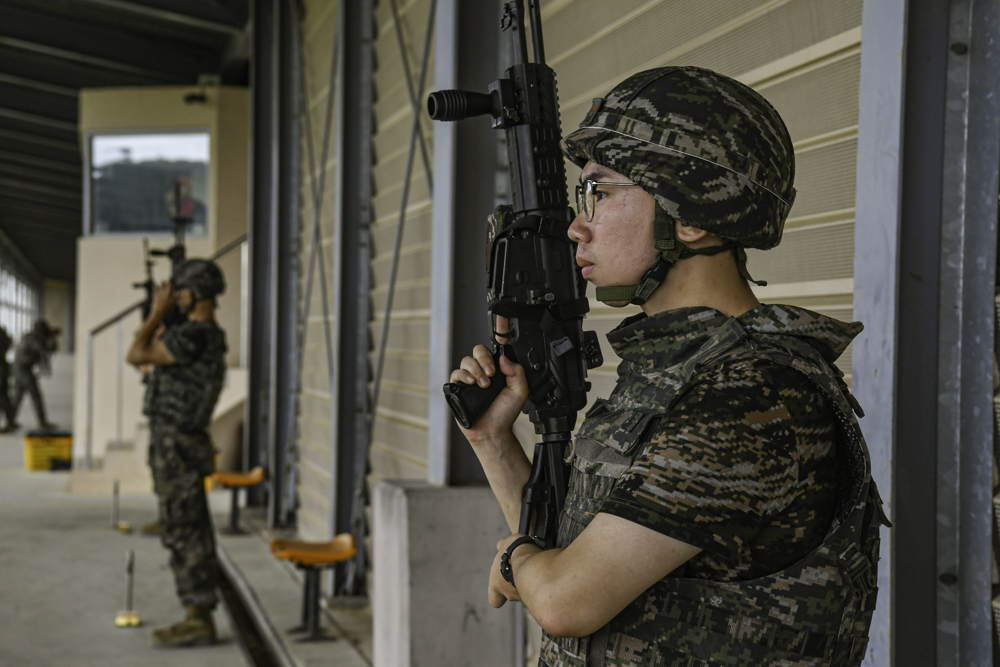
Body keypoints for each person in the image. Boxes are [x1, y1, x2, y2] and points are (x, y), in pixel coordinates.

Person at [449, 67, 888, 666]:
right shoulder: (678, 375)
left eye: (599, 193)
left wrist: (511, 560)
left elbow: (563, 600)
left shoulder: (751, 398)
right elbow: (571, 558)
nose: (578, 225)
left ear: (692, 215)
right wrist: (493, 441)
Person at [126, 258, 227, 648]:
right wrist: (161, 322)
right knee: (185, 524)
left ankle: (198, 614)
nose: (176, 297)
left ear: (196, 293)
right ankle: (197, 610)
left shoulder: (195, 337)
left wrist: (155, 314)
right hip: (179, 442)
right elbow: (149, 364)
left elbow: (136, 354)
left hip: (179, 444)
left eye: (180, 291)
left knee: (186, 529)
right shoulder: (196, 336)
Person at [12, 320, 59, 430]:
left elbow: (51, 349)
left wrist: (52, 338)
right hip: (23, 371)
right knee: (35, 396)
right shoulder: (32, 340)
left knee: (17, 397)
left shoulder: (31, 338)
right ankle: (42, 421)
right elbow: (44, 351)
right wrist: (50, 337)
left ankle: (10, 421)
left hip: (20, 370)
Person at [0, 325, 17, 431]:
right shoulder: (2, 332)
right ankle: (10, 421)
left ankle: (10, 421)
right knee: (4, 394)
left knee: (2, 395)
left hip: (1, 367)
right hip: (3, 366)